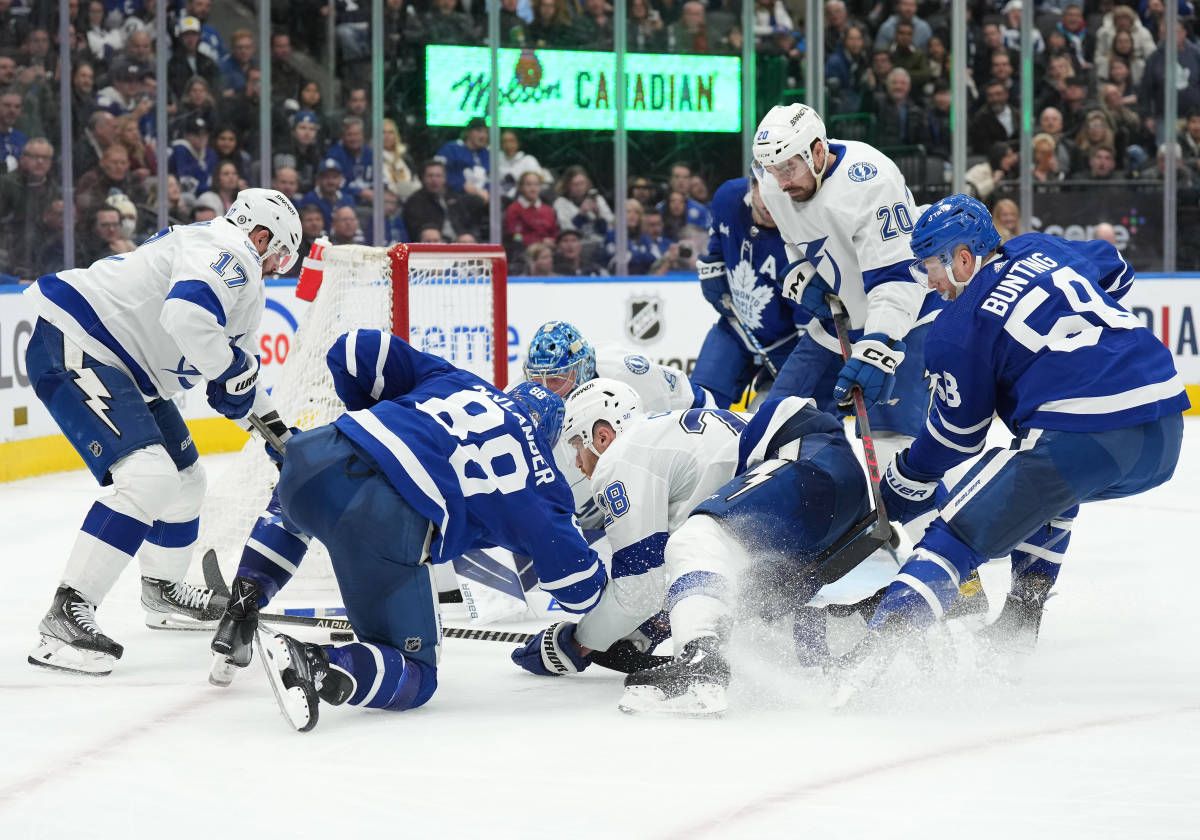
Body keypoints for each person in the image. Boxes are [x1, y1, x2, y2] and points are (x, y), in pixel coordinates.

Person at [838, 194, 1187, 700]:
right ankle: (1020, 626)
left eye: (929, 264)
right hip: (1165, 429)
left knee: (955, 533)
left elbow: (958, 437)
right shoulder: (1042, 247)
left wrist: (906, 477)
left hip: (1084, 434)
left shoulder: (957, 328)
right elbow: (1115, 271)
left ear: (963, 258)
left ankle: (867, 663)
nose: (927, 280)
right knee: (1044, 485)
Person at [209, 333, 608, 730]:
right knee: (417, 676)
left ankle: (242, 606)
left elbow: (351, 351)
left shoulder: (460, 379)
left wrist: (376, 431)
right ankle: (315, 665)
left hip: (319, 453)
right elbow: (579, 589)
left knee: (293, 507)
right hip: (382, 522)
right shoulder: (542, 481)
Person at [22, 189, 303, 676]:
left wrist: (275, 432)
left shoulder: (232, 268)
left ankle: (162, 590)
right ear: (262, 236)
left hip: (126, 366)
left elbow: (234, 378)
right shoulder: (227, 250)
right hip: (77, 340)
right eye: (279, 252)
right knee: (149, 479)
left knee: (186, 480)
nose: (279, 265)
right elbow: (187, 317)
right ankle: (64, 617)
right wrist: (230, 368)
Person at [512, 381, 870, 716]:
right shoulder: (663, 441)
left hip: (806, 460)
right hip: (827, 487)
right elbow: (678, 582)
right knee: (735, 619)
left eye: (577, 445)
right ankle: (861, 633)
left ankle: (699, 668)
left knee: (694, 540)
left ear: (601, 435)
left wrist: (577, 643)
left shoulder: (622, 455)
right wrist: (646, 630)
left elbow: (641, 587)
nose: (577, 462)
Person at [751, 102, 943, 475]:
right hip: (840, 317)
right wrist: (803, 270)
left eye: (788, 167)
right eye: (772, 170)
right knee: (777, 420)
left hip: (905, 321)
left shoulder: (870, 181)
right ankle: (823, 506)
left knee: (894, 457)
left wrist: (878, 349)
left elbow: (899, 278)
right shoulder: (777, 185)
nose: (781, 181)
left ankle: (934, 528)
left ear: (818, 150)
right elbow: (798, 240)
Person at [523, 321, 716, 527]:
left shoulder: (631, 373)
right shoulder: (521, 393)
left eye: (556, 380)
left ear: (583, 368)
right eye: (537, 380)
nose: (545, 391)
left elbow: (696, 400)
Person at [691, 176, 805, 408]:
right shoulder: (728, 198)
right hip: (735, 328)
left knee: (770, 419)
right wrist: (713, 268)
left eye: (779, 197)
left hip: (787, 344)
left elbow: (809, 317)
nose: (770, 204)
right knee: (699, 404)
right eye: (765, 192)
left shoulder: (801, 237)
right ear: (753, 186)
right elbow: (717, 244)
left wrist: (802, 364)